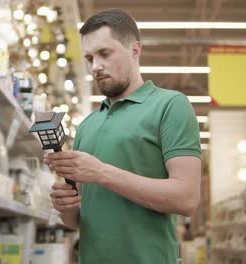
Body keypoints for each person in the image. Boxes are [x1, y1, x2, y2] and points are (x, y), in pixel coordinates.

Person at [44, 9, 201, 264]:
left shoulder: (170, 106)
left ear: (134, 50)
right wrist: (66, 205)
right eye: (89, 58)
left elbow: (187, 198)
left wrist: (101, 173)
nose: (96, 66)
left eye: (105, 53)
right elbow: (76, 221)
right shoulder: (87, 126)